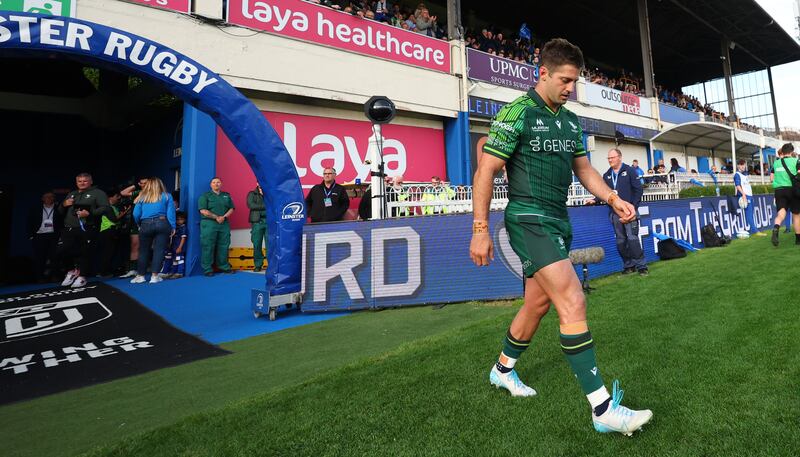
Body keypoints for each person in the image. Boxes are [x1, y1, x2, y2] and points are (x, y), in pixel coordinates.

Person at [470, 38, 652, 436]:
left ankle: (502, 370)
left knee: (537, 305)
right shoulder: (516, 113)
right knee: (573, 298)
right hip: (528, 219)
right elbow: (485, 172)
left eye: (575, 81)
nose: (570, 88)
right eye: (565, 80)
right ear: (543, 74)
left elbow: (585, 170)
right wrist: (480, 229)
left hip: (558, 220)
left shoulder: (570, 121)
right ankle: (603, 410)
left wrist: (612, 196)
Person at [56, 172, 109, 288]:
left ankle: (82, 276)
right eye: (79, 181)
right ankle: (72, 271)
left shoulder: (98, 193)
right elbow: (60, 211)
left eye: (85, 181)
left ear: (91, 181)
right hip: (69, 227)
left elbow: (105, 208)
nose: (82, 183)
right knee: (62, 250)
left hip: (88, 226)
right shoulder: (71, 194)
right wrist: (64, 204)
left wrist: (90, 214)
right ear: (76, 182)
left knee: (85, 251)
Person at [604, 148, 647, 275]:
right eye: (608, 158)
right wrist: (594, 199)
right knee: (621, 241)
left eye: (612, 157)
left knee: (633, 239)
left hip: (630, 213)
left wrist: (632, 208)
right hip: (615, 214)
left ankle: (642, 267)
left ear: (620, 157)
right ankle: (629, 266)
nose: (610, 160)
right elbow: (605, 193)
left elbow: (638, 190)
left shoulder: (630, 171)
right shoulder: (606, 175)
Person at [130, 178, 176, 284]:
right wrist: (173, 226)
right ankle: (154, 276)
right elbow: (171, 213)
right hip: (162, 222)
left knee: (143, 250)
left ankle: (140, 276)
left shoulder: (142, 196)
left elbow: (135, 213)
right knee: (159, 250)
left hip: (145, 224)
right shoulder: (167, 195)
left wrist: (139, 224)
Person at [199, 177, 235, 276]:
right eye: (214, 182)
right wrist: (216, 217)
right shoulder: (205, 196)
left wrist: (223, 217)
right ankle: (208, 269)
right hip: (209, 224)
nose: (216, 184)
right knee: (208, 246)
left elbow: (231, 208)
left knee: (224, 245)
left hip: (223, 224)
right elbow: (203, 210)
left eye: (218, 182)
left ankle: (224, 266)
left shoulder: (226, 196)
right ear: (211, 185)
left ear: (221, 184)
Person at [27, 191, 63, 282]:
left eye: (51, 197)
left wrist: (61, 235)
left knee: (54, 257)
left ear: (54, 198)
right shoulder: (36, 208)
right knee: (40, 257)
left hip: (54, 235)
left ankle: (55, 276)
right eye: (47, 197)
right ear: (42, 199)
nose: (49, 199)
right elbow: (30, 221)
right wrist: (31, 235)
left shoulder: (58, 208)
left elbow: (62, 222)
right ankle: (40, 278)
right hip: (39, 236)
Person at [770, 143, 800, 246]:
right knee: (796, 215)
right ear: (792, 152)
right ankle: (798, 239)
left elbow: (771, 178)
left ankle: (776, 228)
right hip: (792, 190)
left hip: (779, 190)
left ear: (782, 152)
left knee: (781, 214)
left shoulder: (776, 163)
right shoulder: (796, 161)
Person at [119, 177, 148, 278]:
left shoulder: (154, 193)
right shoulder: (138, 192)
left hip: (148, 222)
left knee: (149, 245)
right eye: (142, 183)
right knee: (135, 245)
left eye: (146, 183)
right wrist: (135, 185)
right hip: (135, 223)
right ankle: (133, 269)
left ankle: (147, 268)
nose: (144, 185)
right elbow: (123, 193)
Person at [98, 189, 129, 277]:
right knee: (107, 252)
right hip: (107, 231)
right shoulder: (105, 207)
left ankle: (109, 270)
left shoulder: (114, 207)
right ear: (110, 197)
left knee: (112, 252)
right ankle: (103, 272)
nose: (118, 198)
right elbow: (114, 219)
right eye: (117, 196)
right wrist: (125, 213)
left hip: (113, 231)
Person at [734, 159, 764, 237]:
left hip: (750, 195)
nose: (743, 166)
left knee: (751, 213)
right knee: (749, 214)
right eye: (741, 164)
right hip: (745, 196)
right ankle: (755, 231)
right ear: (738, 166)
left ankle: (752, 230)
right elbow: (738, 186)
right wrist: (743, 195)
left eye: (744, 164)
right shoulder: (737, 175)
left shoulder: (745, 174)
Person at [159, 211, 188, 279]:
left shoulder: (183, 228)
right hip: (174, 246)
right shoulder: (176, 227)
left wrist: (180, 247)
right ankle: (173, 272)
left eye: (181, 219)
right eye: (177, 219)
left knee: (180, 259)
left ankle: (180, 272)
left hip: (179, 247)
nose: (179, 221)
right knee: (175, 260)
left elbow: (183, 238)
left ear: (184, 220)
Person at [247, 183, 267, 272]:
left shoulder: (269, 192)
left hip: (269, 222)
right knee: (257, 244)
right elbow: (251, 205)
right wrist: (266, 206)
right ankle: (258, 265)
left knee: (270, 245)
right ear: (257, 183)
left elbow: (275, 205)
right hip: (257, 222)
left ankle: (272, 265)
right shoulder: (252, 194)